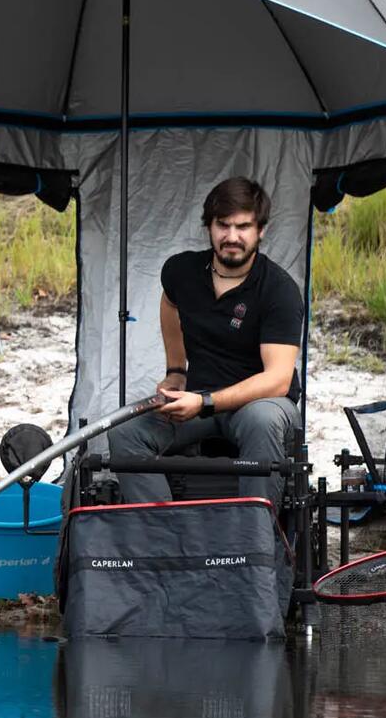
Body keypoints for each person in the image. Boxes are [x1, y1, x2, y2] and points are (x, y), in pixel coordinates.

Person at [108, 176, 303, 508]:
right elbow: (170, 303)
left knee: (263, 421)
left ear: (261, 231)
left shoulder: (279, 290)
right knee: (125, 432)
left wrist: (206, 402)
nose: (232, 237)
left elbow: (278, 379)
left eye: (243, 227)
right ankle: (162, 535)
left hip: (260, 403)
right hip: (199, 398)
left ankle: (254, 538)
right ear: (209, 227)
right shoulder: (181, 270)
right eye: (222, 225)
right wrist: (175, 370)